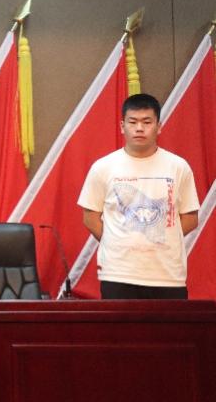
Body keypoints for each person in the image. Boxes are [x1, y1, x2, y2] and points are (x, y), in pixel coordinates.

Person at [79, 93, 200, 299]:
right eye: (133, 122)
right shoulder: (103, 167)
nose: (139, 128)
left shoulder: (179, 167)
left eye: (147, 122)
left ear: (159, 126)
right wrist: (119, 240)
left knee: (172, 322)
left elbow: (190, 218)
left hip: (168, 275)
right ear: (122, 126)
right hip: (118, 274)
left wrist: (155, 235)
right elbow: (90, 217)